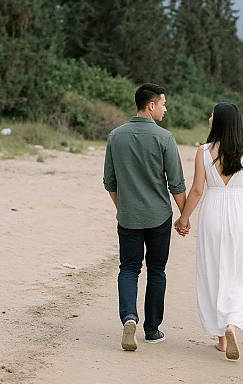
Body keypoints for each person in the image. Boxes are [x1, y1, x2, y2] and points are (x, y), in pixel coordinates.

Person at [103, 83, 186, 351]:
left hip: (128, 216)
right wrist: (184, 216)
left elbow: (109, 182)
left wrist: (123, 207)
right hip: (158, 216)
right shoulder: (165, 138)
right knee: (157, 270)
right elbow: (176, 184)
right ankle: (151, 329)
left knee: (128, 268)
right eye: (163, 103)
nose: (165, 108)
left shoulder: (116, 136)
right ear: (151, 105)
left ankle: (129, 318)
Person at [174, 103, 243, 361]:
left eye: (212, 114)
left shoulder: (203, 152)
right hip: (239, 213)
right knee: (239, 271)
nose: (209, 117)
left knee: (213, 271)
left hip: (212, 212)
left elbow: (198, 190)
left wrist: (184, 218)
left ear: (220, 121)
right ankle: (232, 322)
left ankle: (222, 339)